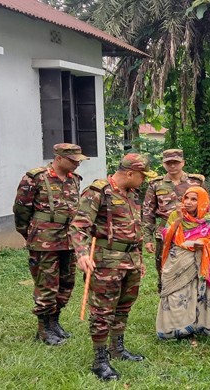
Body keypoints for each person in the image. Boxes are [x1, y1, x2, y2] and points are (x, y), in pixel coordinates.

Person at [68, 153, 155, 381]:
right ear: (129, 173)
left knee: (124, 306)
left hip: (131, 260)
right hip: (107, 261)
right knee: (102, 311)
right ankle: (100, 360)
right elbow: (78, 227)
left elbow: (136, 230)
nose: (143, 181)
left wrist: (140, 259)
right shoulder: (99, 191)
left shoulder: (132, 194)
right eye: (142, 176)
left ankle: (117, 348)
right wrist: (82, 254)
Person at [12, 143, 88, 345]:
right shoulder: (36, 178)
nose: (76, 165)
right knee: (47, 285)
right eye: (73, 161)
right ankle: (43, 328)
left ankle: (54, 322)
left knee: (66, 283)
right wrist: (30, 234)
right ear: (59, 158)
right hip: (44, 241)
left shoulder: (74, 180)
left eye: (78, 161)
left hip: (69, 240)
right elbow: (21, 210)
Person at [155, 186, 210, 345]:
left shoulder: (209, 219)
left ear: (202, 201)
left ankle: (194, 329)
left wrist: (203, 243)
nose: (188, 202)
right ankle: (173, 328)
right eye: (186, 198)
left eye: (194, 199)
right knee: (175, 293)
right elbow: (166, 235)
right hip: (177, 261)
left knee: (195, 294)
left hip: (198, 263)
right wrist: (178, 218)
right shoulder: (175, 215)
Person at [142, 149, 205, 292]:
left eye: (175, 162)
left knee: (190, 265)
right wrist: (148, 239)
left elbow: (206, 207)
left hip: (191, 231)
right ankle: (165, 295)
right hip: (165, 232)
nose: (172, 166)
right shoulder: (156, 184)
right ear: (163, 164)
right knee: (163, 266)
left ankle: (190, 295)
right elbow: (148, 212)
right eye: (168, 163)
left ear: (183, 163)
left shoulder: (195, 182)